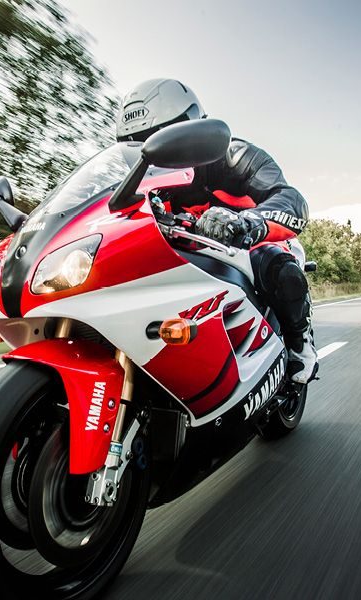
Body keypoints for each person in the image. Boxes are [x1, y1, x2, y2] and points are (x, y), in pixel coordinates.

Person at [116, 79, 318, 384]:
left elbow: (292, 200)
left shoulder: (235, 157)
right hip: (186, 249)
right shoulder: (143, 178)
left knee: (277, 265)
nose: (157, 154)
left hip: (251, 242)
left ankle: (299, 346)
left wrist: (248, 223)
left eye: (163, 141)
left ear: (194, 129)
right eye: (140, 145)